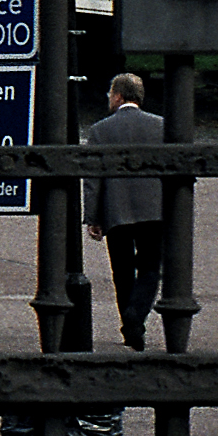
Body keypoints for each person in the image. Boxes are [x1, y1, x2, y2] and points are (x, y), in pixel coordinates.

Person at [88, 68, 175, 350]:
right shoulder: (162, 126)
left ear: (117, 96)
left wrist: (93, 216)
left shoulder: (100, 130)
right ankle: (136, 315)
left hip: (116, 210)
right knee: (150, 268)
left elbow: (93, 179)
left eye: (110, 94)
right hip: (154, 209)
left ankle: (131, 329)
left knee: (122, 271)